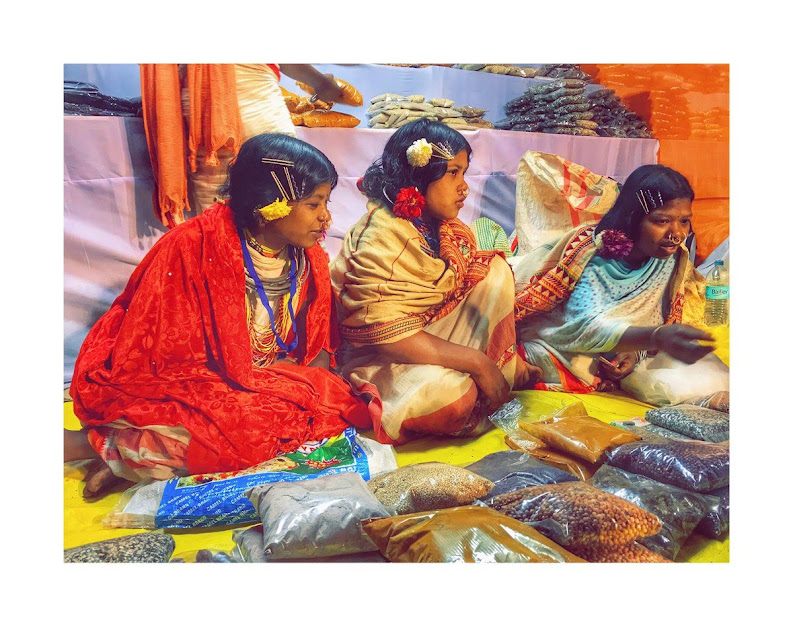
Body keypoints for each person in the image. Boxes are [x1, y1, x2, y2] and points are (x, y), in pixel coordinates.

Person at [66, 133, 374, 498]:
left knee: (338, 411)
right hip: (191, 378)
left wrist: (297, 385)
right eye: (313, 204)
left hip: (264, 378)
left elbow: (314, 353)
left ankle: (129, 460)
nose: (326, 217)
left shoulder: (307, 257)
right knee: (243, 434)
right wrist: (250, 387)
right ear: (269, 204)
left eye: (326, 202)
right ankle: (99, 446)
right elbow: (161, 357)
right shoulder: (191, 246)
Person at [329, 119, 541, 446]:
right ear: (419, 174)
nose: (464, 187)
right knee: (452, 401)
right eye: (453, 172)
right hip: (379, 356)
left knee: (495, 271)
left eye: (464, 173)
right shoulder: (381, 235)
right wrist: (478, 363)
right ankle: (472, 378)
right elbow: (385, 334)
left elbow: (459, 295)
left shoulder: (442, 227)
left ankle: (493, 370)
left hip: (426, 337)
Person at [513, 164, 717, 394]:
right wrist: (654, 338)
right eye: (662, 221)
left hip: (606, 350)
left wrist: (634, 351)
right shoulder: (593, 252)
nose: (677, 234)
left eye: (684, 221)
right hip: (553, 341)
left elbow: (649, 319)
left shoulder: (669, 258)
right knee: (534, 364)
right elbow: (580, 327)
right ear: (633, 218)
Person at [141, 63, 350, 227]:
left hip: (203, 108)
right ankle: (283, 268)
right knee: (284, 209)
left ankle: (222, 266)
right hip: (254, 99)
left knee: (215, 213)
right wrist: (322, 84)